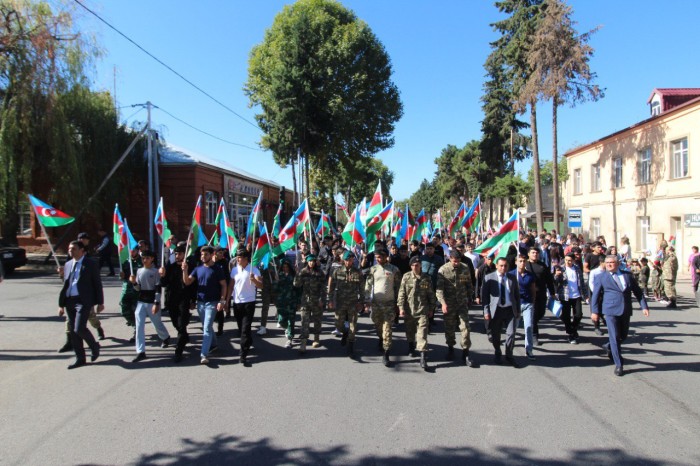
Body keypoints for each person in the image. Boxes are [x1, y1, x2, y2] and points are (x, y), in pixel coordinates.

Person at [590, 255, 650, 376]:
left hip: (625, 310)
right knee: (614, 336)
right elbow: (595, 295)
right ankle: (619, 364)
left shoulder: (627, 275)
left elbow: (638, 292)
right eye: (607, 263)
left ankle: (609, 346)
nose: (609, 265)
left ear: (617, 263)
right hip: (610, 310)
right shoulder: (601, 277)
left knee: (623, 335)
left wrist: (644, 306)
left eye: (611, 262)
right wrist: (594, 311)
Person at [57, 240, 103, 369]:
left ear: (82, 250)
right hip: (69, 300)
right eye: (69, 249)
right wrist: (61, 304)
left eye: (74, 249)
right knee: (73, 331)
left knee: (79, 328)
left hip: (83, 301)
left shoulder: (90, 264)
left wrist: (100, 302)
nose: (71, 251)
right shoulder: (67, 264)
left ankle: (94, 346)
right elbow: (66, 284)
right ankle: (80, 358)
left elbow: (97, 283)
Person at [183, 246, 228, 366]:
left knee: (207, 327)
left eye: (206, 255)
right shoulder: (198, 269)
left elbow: (224, 285)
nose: (203, 257)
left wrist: (222, 301)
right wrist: (185, 270)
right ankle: (213, 344)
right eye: (202, 255)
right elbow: (187, 282)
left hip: (212, 303)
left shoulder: (217, 269)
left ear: (211, 254)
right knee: (206, 326)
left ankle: (203, 354)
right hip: (200, 303)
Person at [436, 249, 476, 367]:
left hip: (462, 304)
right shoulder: (443, 270)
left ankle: (466, 353)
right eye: (454, 261)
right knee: (449, 328)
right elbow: (439, 289)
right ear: (450, 259)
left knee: (465, 328)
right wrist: (443, 303)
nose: (457, 263)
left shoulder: (465, 267)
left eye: (458, 261)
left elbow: (469, 284)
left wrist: (470, 297)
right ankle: (450, 348)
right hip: (449, 304)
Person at [129, 250, 170, 362]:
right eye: (143, 258)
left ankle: (165, 337)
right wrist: (134, 283)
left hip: (152, 301)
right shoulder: (139, 271)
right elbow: (138, 288)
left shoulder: (156, 271)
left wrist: (156, 303)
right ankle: (140, 351)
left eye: (147, 258)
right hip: (141, 301)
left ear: (152, 258)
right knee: (139, 327)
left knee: (157, 323)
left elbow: (158, 288)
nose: (145, 260)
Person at [364, 248, 401, 367]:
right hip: (376, 304)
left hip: (389, 304)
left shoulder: (394, 270)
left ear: (386, 257)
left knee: (387, 329)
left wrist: (398, 303)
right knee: (378, 325)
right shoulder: (373, 269)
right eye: (376, 257)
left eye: (380, 257)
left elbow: (399, 287)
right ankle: (381, 339)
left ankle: (386, 353)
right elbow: (368, 285)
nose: (378, 259)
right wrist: (366, 300)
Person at [481, 257, 521, 367]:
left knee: (511, 333)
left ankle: (509, 355)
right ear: (496, 266)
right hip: (496, 310)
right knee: (496, 334)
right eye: (501, 265)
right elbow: (485, 297)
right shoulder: (489, 278)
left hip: (509, 310)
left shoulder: (512, 278)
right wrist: (486, 311)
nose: (503, 268)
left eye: (505, 266)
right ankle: (497, 352)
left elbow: (517, 296)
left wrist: (518, 310)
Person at [398, 255, 436, 370]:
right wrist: (401, 308)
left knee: (422, 333)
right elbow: (401, 293)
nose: (416, 267)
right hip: (409, 309)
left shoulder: (426, 278)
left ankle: (423, 357)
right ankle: (411, 346)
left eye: (418, 265)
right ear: (411, 266)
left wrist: (431, 308)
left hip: (422, 309)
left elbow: (431, 294)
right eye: (414, 265)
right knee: (410, 331)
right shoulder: (406, 277)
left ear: (420, 266)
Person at [227, 248, 263, 365]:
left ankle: (243, 354)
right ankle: (249, 340)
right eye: (237, 257)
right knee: (240, 327)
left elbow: (261, 285)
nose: (238, 259)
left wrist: (254, 280)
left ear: (246, 259)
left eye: (240, 257)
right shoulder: (234, 270)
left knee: (245, 328)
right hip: (237, 302)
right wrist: (227, 301)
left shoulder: (254, 269)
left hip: (249, 302)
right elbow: (231, 286)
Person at [159, 243, 193, 363]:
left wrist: (193, 300)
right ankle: (184, 336)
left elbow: (193, 285)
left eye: (180, 254)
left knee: (181, 325)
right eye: (176, 254)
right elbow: (164, 284)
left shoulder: (189, 266)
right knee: (176, 323)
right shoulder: (170, 267)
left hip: (184, 300)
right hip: (172, 300)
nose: (178, 256)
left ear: (185, 254)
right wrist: (162, 275)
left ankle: (178, 351)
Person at [328, 250, 364, 357]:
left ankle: (350, 346)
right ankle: (345, 332)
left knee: (353, 325)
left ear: (353, 260)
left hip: (353, 303)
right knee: (338, 324)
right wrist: (330, 300)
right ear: (344, 260)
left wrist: (361, 302)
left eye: (351, 260)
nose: (349, 262)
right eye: (347, 260)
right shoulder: (337, 271)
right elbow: (332, 287)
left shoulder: (357, 272)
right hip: (341, 302)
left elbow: (362, 288)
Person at [553, 253, 588, 345]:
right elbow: (555, 282)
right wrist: (556, 275)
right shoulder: (561, 268)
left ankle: (573, 328)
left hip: (576, 295)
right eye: (566, 260)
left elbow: (582, 283)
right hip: (565, 296)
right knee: (566, 316)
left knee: (578, 315)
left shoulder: (577, 268)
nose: (568, 262)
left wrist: (585, 294)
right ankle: (571, 334)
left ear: (573, 260)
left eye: (570, 260)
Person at [509, 254, 537, 360]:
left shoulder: (530, 275)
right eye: (520, 261)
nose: (522, 263)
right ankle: (510, 347)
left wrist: (533, 302)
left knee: (529, 327)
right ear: (516, 262)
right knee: (513, 328)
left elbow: (533, 290)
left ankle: (529, 349)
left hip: (527, 304)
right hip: (516, 304)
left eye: (524, 261)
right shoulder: (511, 274)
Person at [274, 260, 300, 348]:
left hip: (292, 302)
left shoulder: (293, 276)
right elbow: (275, 289)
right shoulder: (279, 276)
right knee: (281, 321)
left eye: (287, 267)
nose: (285, 269)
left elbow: (298, 288)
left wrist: (298, 302)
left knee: (291, 321)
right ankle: (287, 329)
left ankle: (290, 339)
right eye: (284, 267)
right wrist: (276, 281)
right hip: (281, 302)